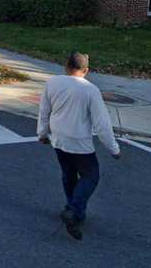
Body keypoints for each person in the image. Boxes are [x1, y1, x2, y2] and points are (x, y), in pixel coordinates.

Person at [37, 52, 121, 241]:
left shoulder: (52, 83)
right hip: (79, 141)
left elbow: (44, 111)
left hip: (58, 138)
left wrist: (42, 134)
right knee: (91, 175)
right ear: (86, 71)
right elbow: (102, 124)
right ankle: (74, 210)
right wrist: (113, 149)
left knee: (68, 174)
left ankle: (74, 210)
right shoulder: (90, 90)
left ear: (66, 67)